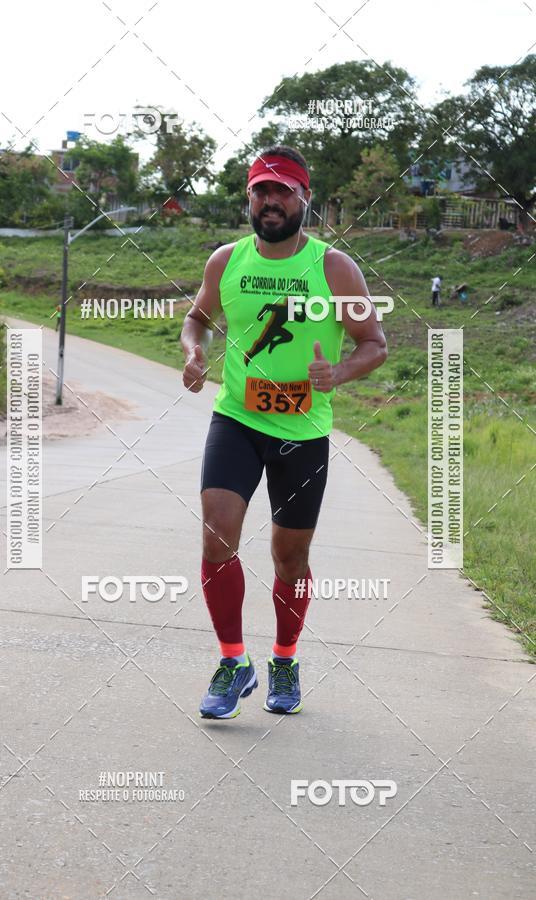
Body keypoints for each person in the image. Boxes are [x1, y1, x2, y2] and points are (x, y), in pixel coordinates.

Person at [180, 145, 388, 720]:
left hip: (303, 430)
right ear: (248, 197)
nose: (271, 201)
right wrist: (195, 352)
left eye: (283, 191)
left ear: (304, 200)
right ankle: (231, 662)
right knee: (216, 537)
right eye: (260, 191)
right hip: (237, 419)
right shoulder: (227, 261)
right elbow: (196, 318)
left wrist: (337, 373)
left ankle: (286, 659)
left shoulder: (333, 268)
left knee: (289, 557)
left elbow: (375, 344)